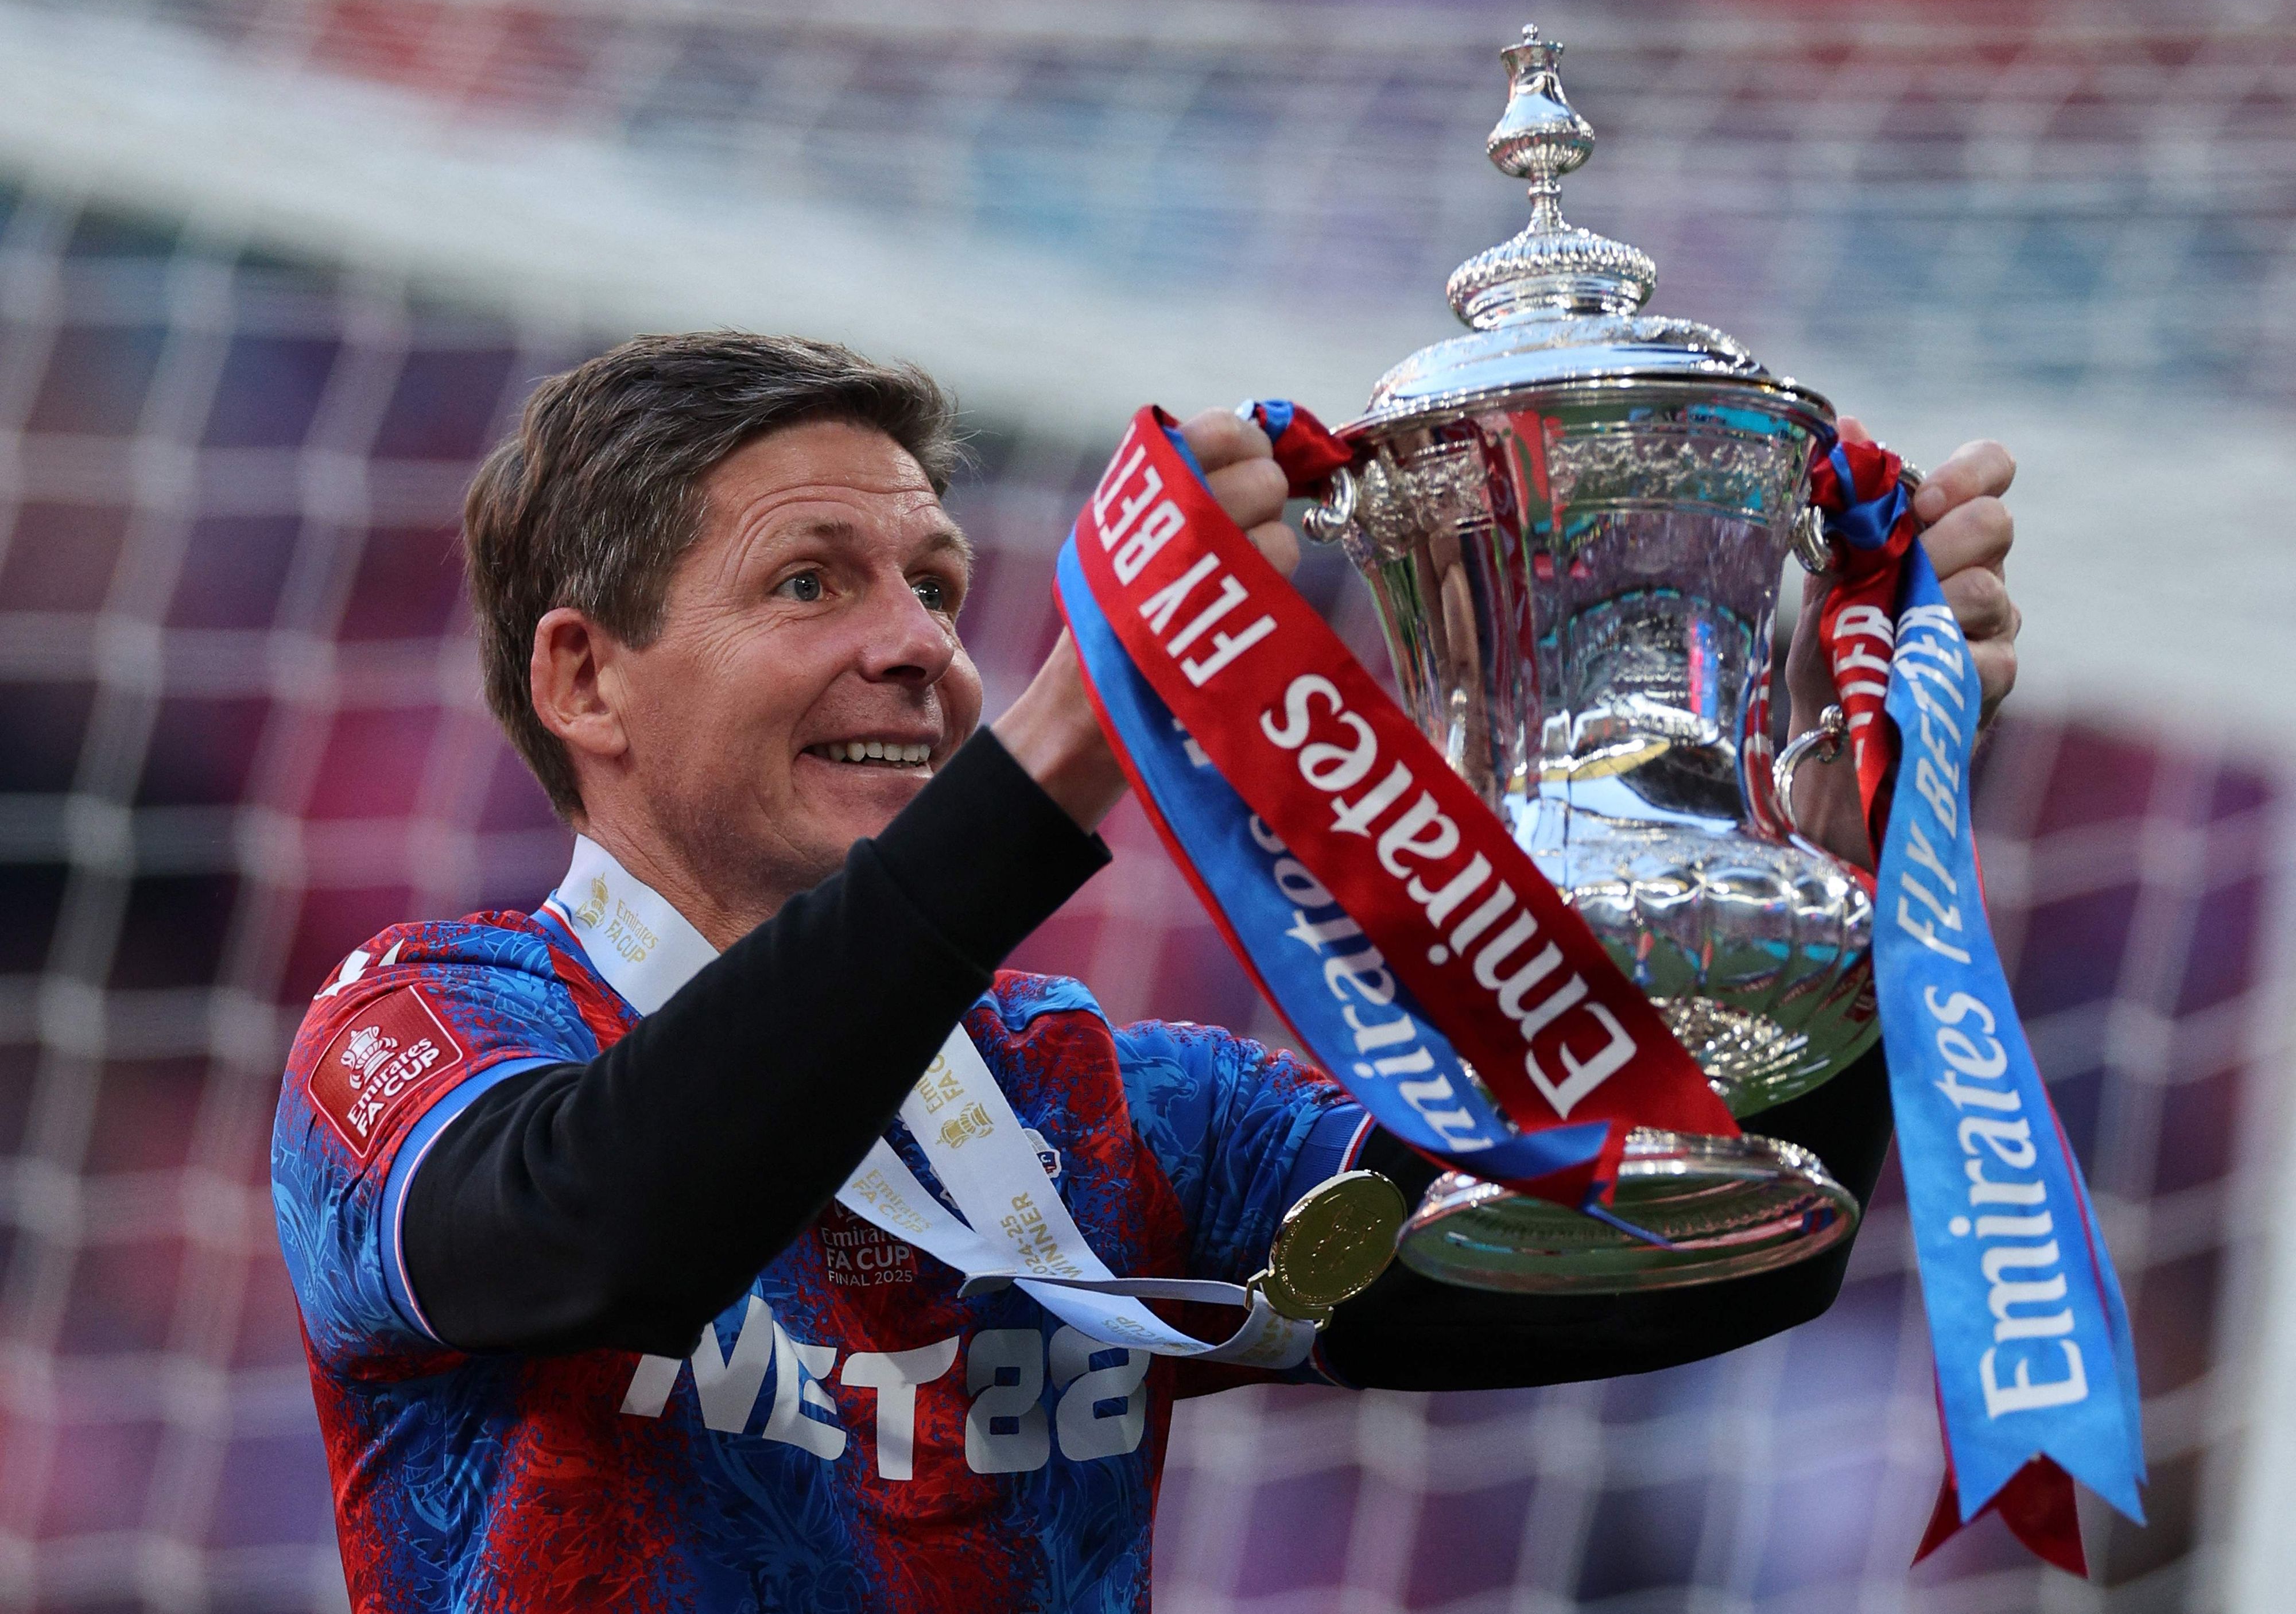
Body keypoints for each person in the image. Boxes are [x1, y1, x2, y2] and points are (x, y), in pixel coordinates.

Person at [270, 332, 2021, 1611]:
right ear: (587, 681)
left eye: (939, 588)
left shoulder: (1104, 1102)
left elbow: (1697, 1254)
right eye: (812, 582)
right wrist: (1059, 748)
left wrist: (1844, 833)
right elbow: (611, 1227)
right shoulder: (419, 1029)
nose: (919, 649)